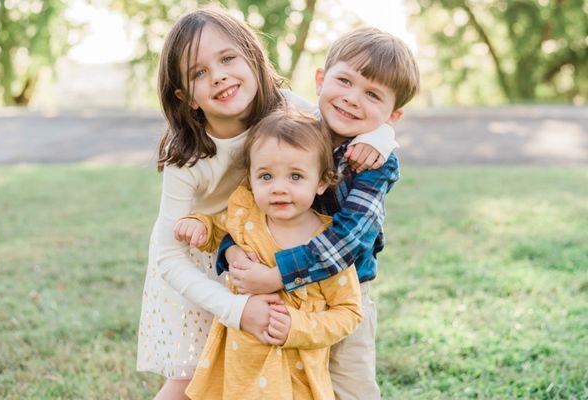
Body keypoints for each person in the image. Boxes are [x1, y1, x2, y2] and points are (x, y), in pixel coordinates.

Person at [136, 8, 395, 399]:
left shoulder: (289, 110)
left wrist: (382, 137)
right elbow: (170, 254)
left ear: (252, 58)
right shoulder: (185, 154)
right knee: (196, 377)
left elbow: (347, 119)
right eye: (198, 72)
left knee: (280, 370)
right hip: (203, 256)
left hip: (276, 246)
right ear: (184, 96)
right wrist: (235, 304)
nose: (219, 75)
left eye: (227, 59)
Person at [215, 27, 420, 399]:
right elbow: (251, 206)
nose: (352, 99)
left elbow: (350, 238)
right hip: (284, 296)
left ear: (393, 115)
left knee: (349, 384)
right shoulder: (298, 133)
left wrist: (278, 275)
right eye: (344, 81)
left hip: (343, 294)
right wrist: (229, 251)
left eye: (372, 95)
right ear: (321, 80)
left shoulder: (376, 163)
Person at [176, 110, 363, 399]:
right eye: (266, 176)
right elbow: (217, 229)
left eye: (296, 176)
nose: (279, 188)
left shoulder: (326, 245)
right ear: (250, 179)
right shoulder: (246, 216)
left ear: (322, 181)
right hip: (242, 366)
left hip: (295, 376)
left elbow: (349, 313)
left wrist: (298, 326)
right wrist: (198, 225)